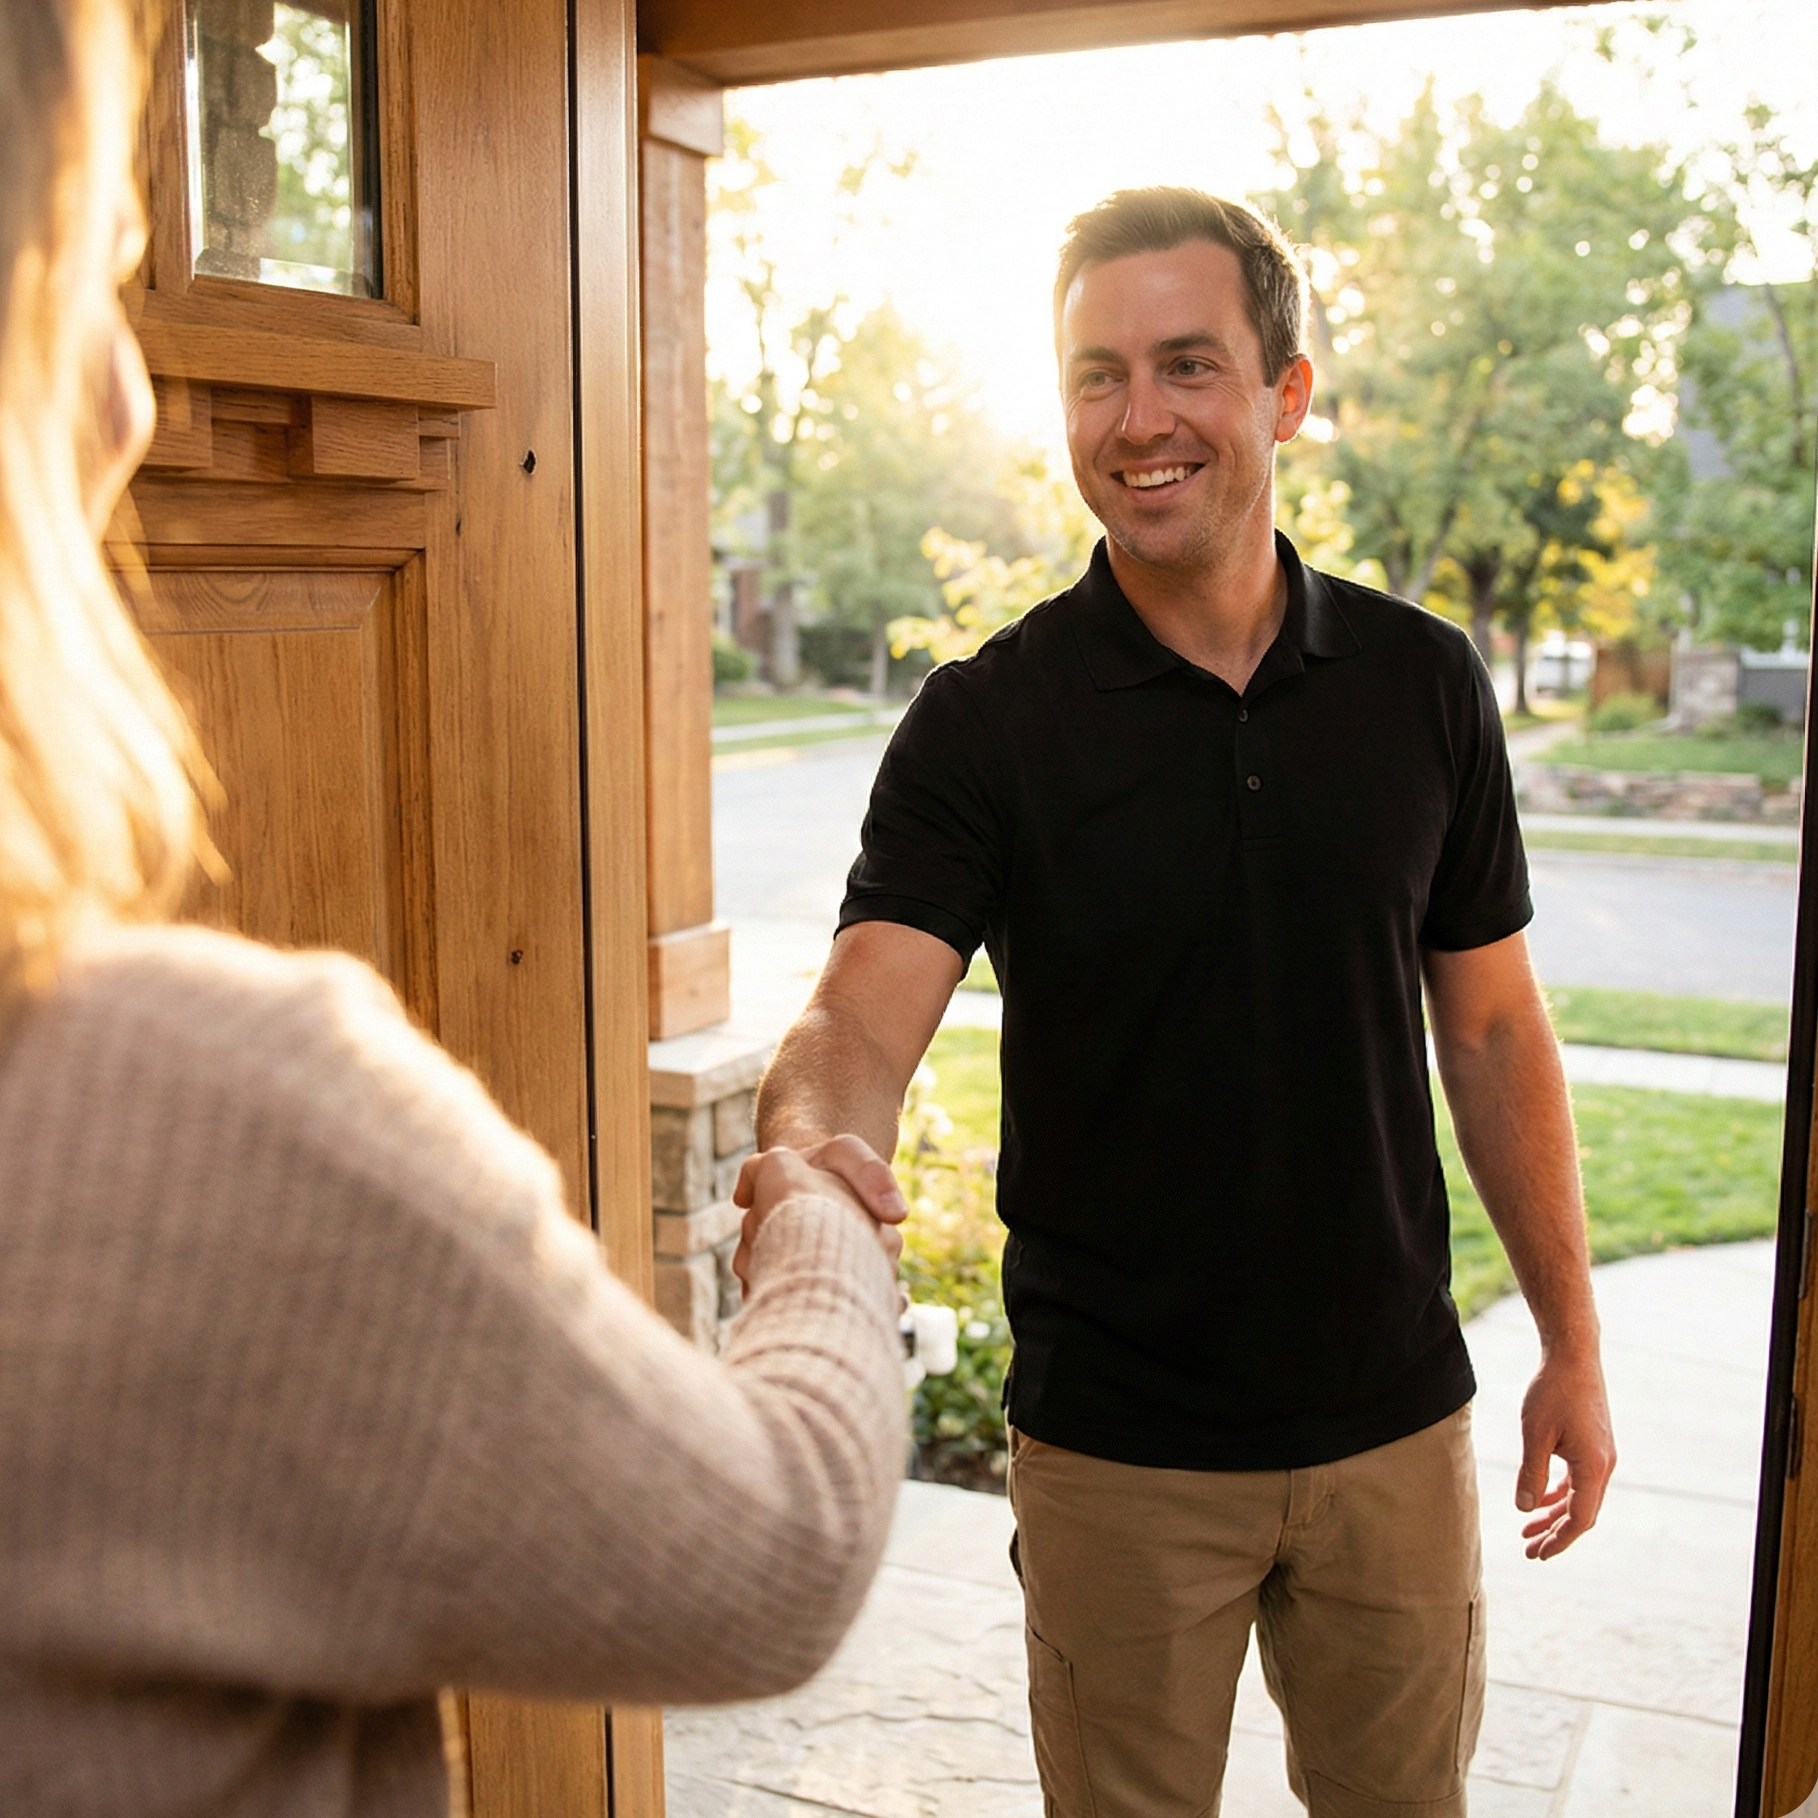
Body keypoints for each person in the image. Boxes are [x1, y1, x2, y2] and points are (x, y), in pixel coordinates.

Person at [0, 2, 907, 1811]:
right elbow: (774, 1546)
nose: (130, 395)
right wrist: (819, 1225)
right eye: (94, 272)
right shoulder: (193, 1117)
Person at [756, 187, 1617, 1817]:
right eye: (1097, 374)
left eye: (1186, 365)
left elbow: (1494, 1029)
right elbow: (856, 1017)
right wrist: (809, 1148)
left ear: (1284, 394)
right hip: (1116, 1452)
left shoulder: (1422, 682)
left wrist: (1569, 1343)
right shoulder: (987, 721)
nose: (1137, 418)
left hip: (1390, 1427)